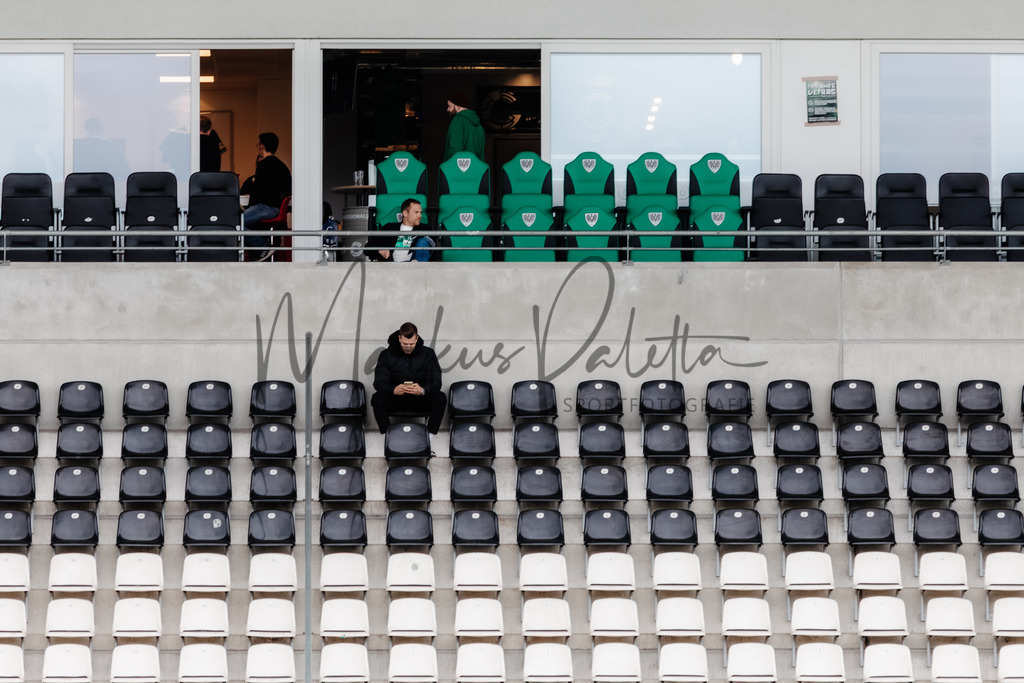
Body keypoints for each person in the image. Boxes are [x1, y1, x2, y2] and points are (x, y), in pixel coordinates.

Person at [371, 322, 447, 439]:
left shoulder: (428, 353)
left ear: (417, 338)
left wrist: (422, 390)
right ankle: (388, 437)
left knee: (440, 397)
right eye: (405, 343)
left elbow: (436, 382)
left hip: (420, 399)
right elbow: (378, 383)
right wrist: (393, 390)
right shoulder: (386, 354)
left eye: (411, 343)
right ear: (399, 338)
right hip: (396, 399)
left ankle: (429, 438)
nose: (408, 347)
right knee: (377, 398)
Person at [243, 132, 292, 260]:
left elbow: (257, 192)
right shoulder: (283, 167)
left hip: (265, 208)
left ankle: (262, 245)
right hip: (278, 210)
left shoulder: (263, 165)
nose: (258, 147)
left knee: (233, 224)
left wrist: (246, 207)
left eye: (258, 144)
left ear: (263, 146)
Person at [366, 198, 434, 262]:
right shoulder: (389, 228)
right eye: (416, 212)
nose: (420, 216)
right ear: (405, 213)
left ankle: (416, 267)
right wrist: (379, 250)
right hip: (392, 266)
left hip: (414, 264)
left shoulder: (424, 228)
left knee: (424, 241)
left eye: (420, 212)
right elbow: (367, 248)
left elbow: (433, 250)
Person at [444, 91, 485, 161]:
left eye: (449, 106)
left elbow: (454, 150)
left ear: (458, 106)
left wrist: (447, 167)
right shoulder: (479, 125)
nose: (448, 109)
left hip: (458, 170)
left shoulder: (457, 120)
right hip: (477, 169)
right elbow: (481, 153)